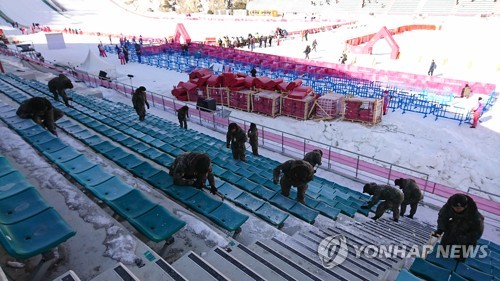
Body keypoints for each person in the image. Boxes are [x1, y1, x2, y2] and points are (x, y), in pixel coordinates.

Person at [432, 194, 484, 261]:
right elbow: (442, 217)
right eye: (454, 207)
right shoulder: (449, 206)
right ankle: (439, 259)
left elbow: (477, 232)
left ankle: (458, 262)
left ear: (465, 206)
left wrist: (465, 239)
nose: (456, 209)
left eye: (459, 208)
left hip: (468, 232)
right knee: (444, 247)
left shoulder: (475, 216)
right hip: (454, 226)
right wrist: (441, 228)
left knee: (460, 255)